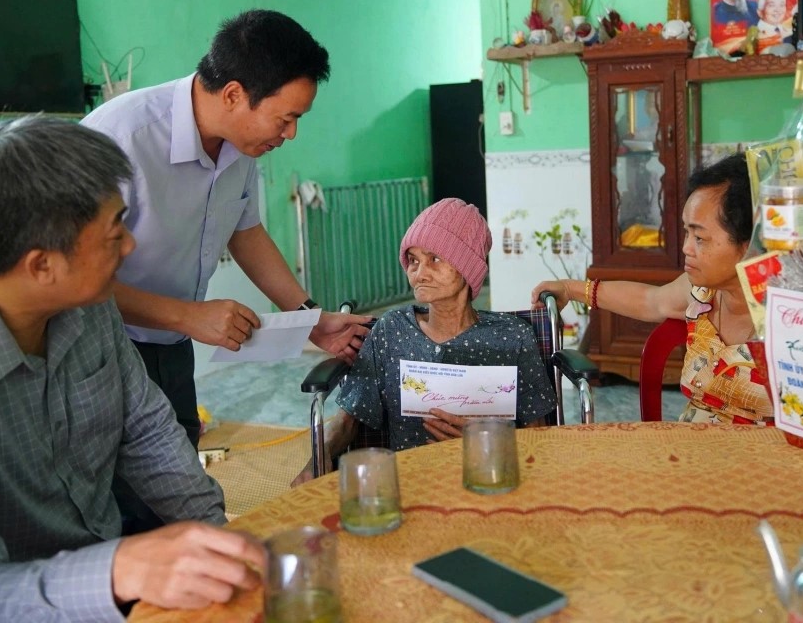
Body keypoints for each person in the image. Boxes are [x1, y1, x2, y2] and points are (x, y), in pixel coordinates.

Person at [0, 118, 266, 623]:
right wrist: (117, 570)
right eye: (115, 232)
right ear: (41, 265)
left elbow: (146, 430)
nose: (129, 246)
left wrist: (216, 531)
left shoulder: (88, 306)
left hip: (96, 591)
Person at [82, 10, 371, 451]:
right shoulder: (120, 138)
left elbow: (246, 232)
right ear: (234, 94)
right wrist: (189, 316)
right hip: (97, 349)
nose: (291, 134)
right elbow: (75, 278)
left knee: (175, 464)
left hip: (171, 346)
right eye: (285, 119)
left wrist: (308, 317)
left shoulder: (240, 147)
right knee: (108, 479)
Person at [293, 199, 557, 484]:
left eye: (435, 259)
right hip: (411, 483)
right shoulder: (392, 330)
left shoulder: (512, 337)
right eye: (414, 261)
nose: (419, 274)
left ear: (468, 267)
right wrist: (318, 458)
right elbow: (347, 420)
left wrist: (487, 440)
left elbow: (538, 436)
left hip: (490, 479)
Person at [532, 153, 773, 425]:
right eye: (687, 233)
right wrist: (569, 289)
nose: (686, 248)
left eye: (700, 238)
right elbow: (650, 300)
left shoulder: (790, 318)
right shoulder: (702, 293)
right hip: (692, 447)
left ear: (750, 245)